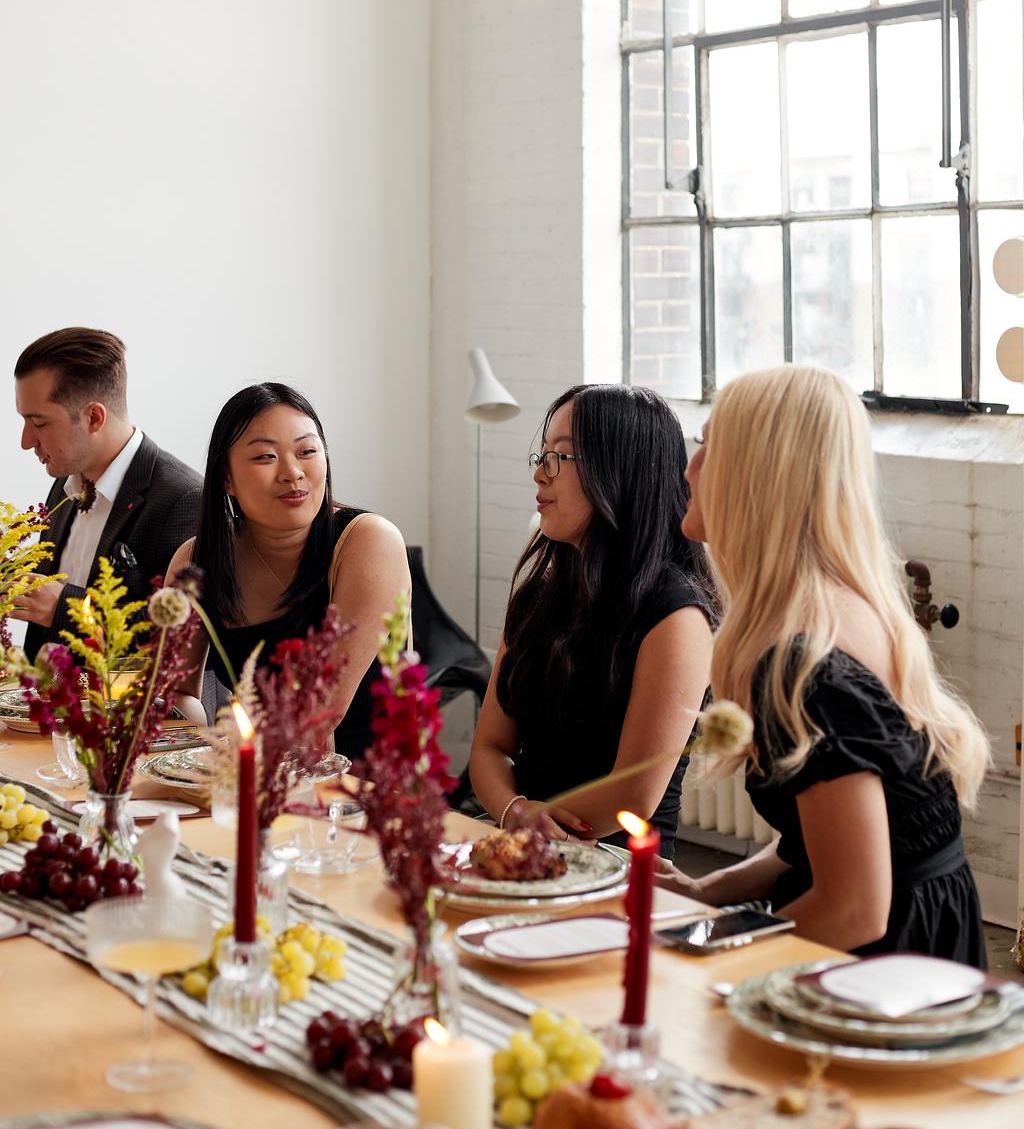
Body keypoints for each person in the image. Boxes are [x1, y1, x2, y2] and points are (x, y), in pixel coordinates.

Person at [658, 365, 990, 964]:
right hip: (928, 929)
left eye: (706, 446)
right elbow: (824, 842)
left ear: (755, 476)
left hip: (892, 964)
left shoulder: (801, 664)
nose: (689, 468)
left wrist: (712, 960)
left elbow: (855, 907)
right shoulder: (850, 608)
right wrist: (708, 891)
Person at [469, 384, 718, 858]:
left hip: (616, 860)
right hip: (522, 839)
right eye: (542, 456)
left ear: (618, 471)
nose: (540, 475)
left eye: (560, 458)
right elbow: (489, 748)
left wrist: (534, 822)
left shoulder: (677, 614)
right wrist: (514, 811)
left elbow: (634, 795)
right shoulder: (537, 597)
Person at [166, 383, 410, 759]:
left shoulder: (369, 541)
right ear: (225, 478)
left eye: (307, 451)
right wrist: (197, 746)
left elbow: (318, 715)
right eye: (265, 457)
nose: (293, 472)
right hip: (257, 771)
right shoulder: (196, 562)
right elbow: (176, 691)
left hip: (368, 788)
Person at [11, 327, 202, 660]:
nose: (26, 441)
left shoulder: (185, 499)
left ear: (94, 417)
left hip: (140, 711)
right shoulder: (62, 485)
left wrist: (65, 609)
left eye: (39, 423)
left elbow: (186, 640)